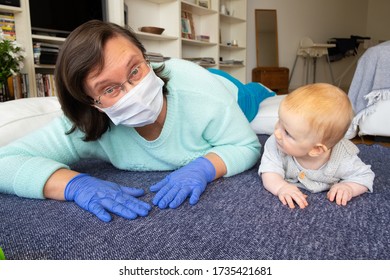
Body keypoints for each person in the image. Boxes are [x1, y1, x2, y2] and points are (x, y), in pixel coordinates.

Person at [0, 20, 274, 222]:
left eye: (135, 70)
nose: (134, 92)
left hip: (225, 89)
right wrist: (73, 184)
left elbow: (246, 146)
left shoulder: (196, 88)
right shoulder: (85, 126)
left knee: (255, 92)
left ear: (147, 59)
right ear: (90, 104)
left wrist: (204, 167)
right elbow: (5, 162)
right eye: (109, 89)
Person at [258, 83, 375, 209]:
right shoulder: (275, 144)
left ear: (316, 149)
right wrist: (281, 187)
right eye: (279, 121)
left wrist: (349, 187)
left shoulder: (343, 158)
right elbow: (269, 172)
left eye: (287, 132)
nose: (277, 133)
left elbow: (365, 176)